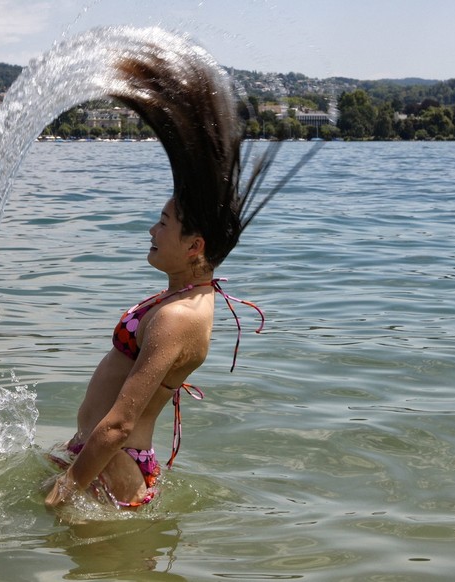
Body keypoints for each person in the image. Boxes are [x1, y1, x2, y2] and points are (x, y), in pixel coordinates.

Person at [45, 37, 319, 509]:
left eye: (164, 223)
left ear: (195, 247)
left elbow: (119, 424)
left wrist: (63, 493)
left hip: (113, 465)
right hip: (100, 460)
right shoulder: (183, 297)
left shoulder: (179, 317)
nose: (152, 229)